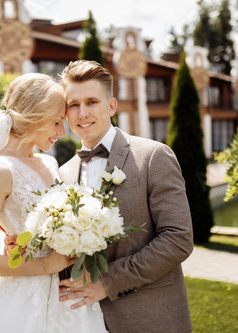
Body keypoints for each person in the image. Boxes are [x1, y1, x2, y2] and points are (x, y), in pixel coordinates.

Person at [0, 73, 107, 332]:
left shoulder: (49, 163)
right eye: (56, 122)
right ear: (34, 117)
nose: (61, 132)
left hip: (67, 293)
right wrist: (44, 265)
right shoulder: (0, 171)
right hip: (23, 298)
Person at [57, 60, 194, 333]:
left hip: (150, 319)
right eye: (73, 104)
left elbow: (178, 239)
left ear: (111, 106)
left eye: (92, 101)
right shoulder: (62, 174)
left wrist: (107, 283)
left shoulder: (153, 156)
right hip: (82, 320)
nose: (82, 113)